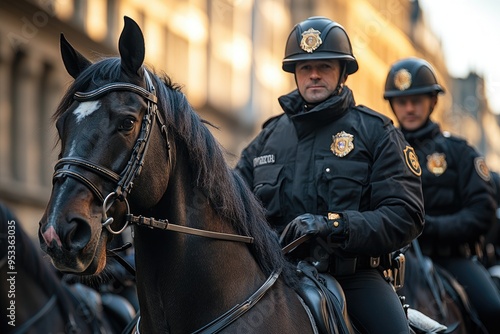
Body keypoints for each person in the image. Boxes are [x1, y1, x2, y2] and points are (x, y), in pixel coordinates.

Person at [236, 16, 424, 333]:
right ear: (294, 73)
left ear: (342, 72)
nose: (313, 75)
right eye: (304, 67)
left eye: (324, 66)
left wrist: (333, 224)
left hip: (354, 278)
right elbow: (227, 199)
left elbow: (406, 215)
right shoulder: (268, 137)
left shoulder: (376, 132)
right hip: (274, 276)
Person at [384, 56, 500, 333]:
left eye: (417, 100)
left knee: (493, 309)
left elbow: (482, 210)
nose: (409, 108)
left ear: (432, 102)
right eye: (402, 102)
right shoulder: (382, 153)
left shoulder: (459, 152)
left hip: (452, 259)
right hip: (394, 262)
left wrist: (431, 228)